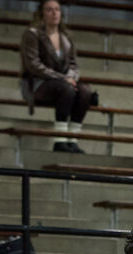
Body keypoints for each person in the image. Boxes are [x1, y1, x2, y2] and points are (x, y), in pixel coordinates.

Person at [20, 0, 94, 153]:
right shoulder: (32, 34)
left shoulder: (66, 37)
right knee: (66, 88)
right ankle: (59, 140)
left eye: (57, 9)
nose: (54, 13)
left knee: (86, 91)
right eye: (49, 10)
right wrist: (62, 78)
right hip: (38, 82)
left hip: (62, 83)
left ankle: (72, 139)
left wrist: (71, 78)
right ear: (42, 13)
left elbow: (73, 65)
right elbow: (33, 65)